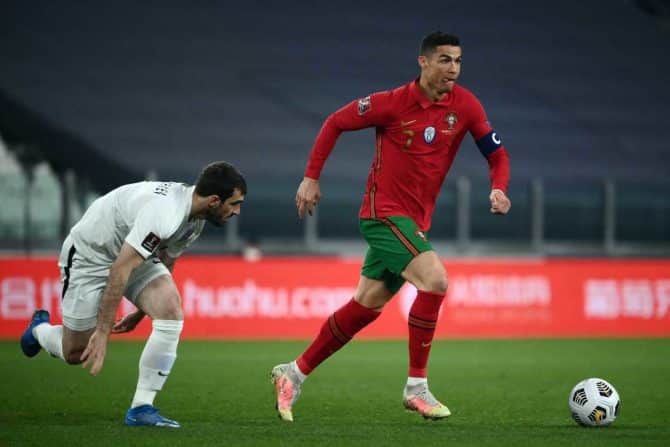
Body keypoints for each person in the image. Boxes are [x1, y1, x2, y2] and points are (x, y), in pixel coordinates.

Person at [271, 31, 511, 422]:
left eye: (459, 61)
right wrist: (311, 177)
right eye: (445, 60)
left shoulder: (465, 105)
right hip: (382, 214)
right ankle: (417, 387)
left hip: (414, 222)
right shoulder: (392, 104)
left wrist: (499, 189)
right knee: (435, 280)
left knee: (366, 306)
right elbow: (335, 122)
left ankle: (293, 374)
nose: (454, 69)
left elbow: (497, 155)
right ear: (424, 62)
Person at [20, 161, 246, 428]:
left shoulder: (194, 221)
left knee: (170, 308)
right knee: (76, 352)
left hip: (132, 252)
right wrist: (102, 332)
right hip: (90, 254)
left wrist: (140, 313)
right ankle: (39, 330)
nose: (237, 211)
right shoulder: (166, 213)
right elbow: (120, 268)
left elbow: (166, 260)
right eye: (234, 204)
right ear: (214, 200)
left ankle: (142, 408)